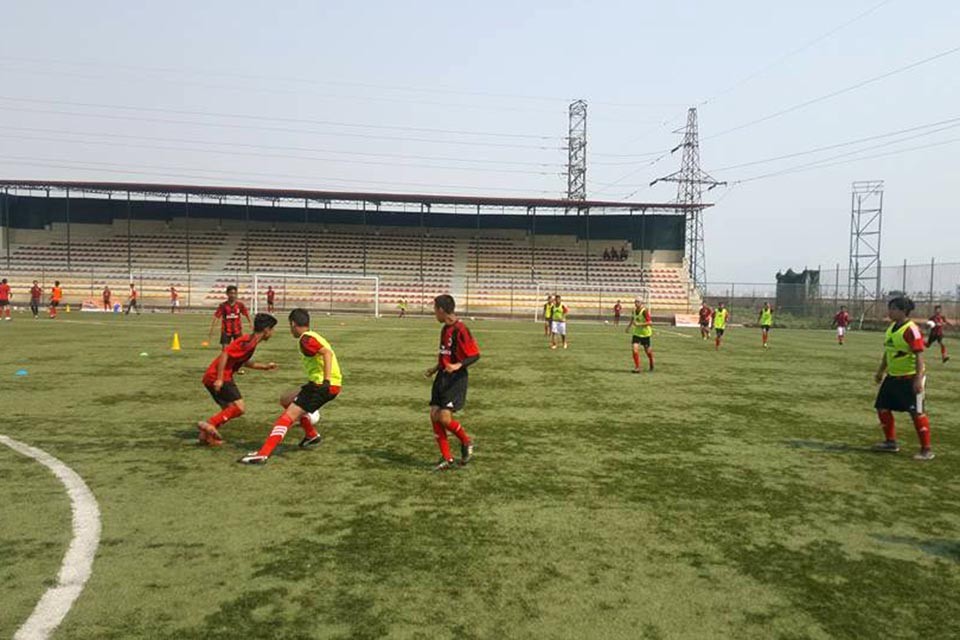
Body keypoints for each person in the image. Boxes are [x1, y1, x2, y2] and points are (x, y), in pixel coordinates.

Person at [239, 308, 342, 464]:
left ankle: (263, 453)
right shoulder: (312, 336)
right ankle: (311, 435)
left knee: (287, 417)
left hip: (322, 385)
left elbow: (327, 353)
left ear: (293, 324)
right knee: (286, 399)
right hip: (322, 383)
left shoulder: (306, 340)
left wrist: (326, 381)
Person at [197, 313, 279, 446]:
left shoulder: (251, 342)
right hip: (218, 376)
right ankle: (209, 424)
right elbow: (225, 354)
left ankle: (206, 436)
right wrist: (219, 379)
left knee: (229, 409)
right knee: (239, 408)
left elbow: (243, 361)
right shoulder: (248, 342)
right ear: (266, 330)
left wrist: (265, 367)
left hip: (214, 376)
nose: (273, 333)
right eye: (272, 329)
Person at [872, 296, 934, 461]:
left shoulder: (911, 329)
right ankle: (891, 442)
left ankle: (926, 450)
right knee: (882, 407)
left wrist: (918, 379)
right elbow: (888, 352)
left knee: (917, 413)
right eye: (889, 308)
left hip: (910, 378)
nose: (889, 311)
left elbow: (919, 355)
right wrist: (880, 371)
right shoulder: (891, 328)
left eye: (893, 308)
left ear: (903, 311)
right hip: (893, 377)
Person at [424, 294, 478, 471]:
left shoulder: (461, 329)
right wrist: (435, 368)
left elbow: (474, 355)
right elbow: (445, 355)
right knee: (434, 414)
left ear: (441, 310)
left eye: (434, 310)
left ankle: (466, 441)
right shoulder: (444, 329)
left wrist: (457, 365)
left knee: (444, 418)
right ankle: (447, 458)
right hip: (442, 377)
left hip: (456, 379)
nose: (434, 313)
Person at [208, 285, 250, 351]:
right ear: (227, 294)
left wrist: (250, 323)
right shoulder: (223, 305)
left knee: (240, 349)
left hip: (237, 330)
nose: (233, 295)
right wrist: (212, 329)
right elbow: (217, 317)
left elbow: (246, 314)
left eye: (234, 293)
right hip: (226, 330)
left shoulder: (240, 305)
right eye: (231, 293)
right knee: (225, 350)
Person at [626, 298, 654, 373]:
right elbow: (632, 319)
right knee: (634, 349)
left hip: (645, 334)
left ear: (641, 303)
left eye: (638, 302)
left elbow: (650, 323)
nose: (636, 303)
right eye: (635, 302)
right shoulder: (634, 310)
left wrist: (639, 324)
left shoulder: (644, 311)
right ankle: (637, 367)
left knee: (648, 351)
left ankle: (651, 362)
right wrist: (628, 327)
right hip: (636, 333)